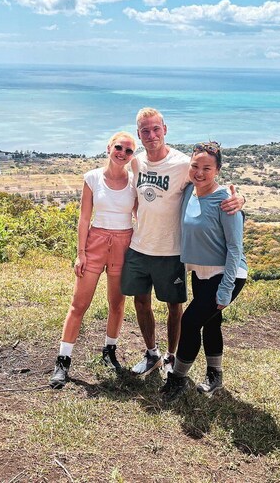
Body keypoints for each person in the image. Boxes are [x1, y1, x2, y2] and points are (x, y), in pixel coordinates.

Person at [122, 108, 244, 378]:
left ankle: (171, 357)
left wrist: (240, 199)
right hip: (140, 245)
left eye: (156, 129)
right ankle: (152, 353)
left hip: (171, 250)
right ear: (139, 134)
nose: (151, 135)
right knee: (140, 302)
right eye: (145, 130)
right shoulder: (137, 163)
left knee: (174, 308)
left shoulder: (181, 164)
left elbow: (212, 183)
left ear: (165, 129)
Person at [49, 131, 138, 389]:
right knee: (79, 304)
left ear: (133, 156)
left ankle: (109, 351)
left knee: (117, 304)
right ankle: (63, 360)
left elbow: (141, 215)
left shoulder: (134, 182)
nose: (122, 153)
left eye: (129, 150)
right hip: (95, 243)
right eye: (119, 147)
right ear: (109, 147)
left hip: (124, 244)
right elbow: (84, 219)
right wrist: (81, 253)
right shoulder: (92, 178)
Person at [159, 141, 247, 401]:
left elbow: (235, 249)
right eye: (195, 166)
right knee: (211, 323)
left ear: (217, 170)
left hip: (226, 275)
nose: (199, 172)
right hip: (200, 273)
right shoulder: (190, 192)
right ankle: (215, 375)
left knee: (189, 322)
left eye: (206, 168)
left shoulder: (225, 202)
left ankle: (177, 379)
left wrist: (225, 290)